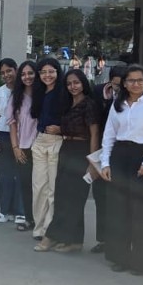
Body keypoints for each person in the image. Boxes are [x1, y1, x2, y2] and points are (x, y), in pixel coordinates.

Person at [98, 64, 143, 275]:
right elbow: (109, 135)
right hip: (120, 156)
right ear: (124, 83)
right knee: (119, 209)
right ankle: (119, 257)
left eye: (140, 80)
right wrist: (105, 163)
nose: (136, 84)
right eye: (131, 80)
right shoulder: (118, 104)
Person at [37, 69, 100, 252]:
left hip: (82, 151)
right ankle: (75, 241)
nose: (73, 86)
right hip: (66, 149)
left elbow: (95, 133)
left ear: (83, 83)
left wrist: (92, 162)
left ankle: (51, 236)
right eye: (69, 83)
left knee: (73, 197)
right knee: (63, 195)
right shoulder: (67, 104)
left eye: (76, 82)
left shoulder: (89, 104)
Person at [90, 65, 125, 253]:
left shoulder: (135, 97)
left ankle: (121, 240)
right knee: (101, 196)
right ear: (110, 82)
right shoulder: (98, 92)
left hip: (124, 151)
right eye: (117, 84)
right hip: (102, 149)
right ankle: (103, 239)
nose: (120, 88)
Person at [30, 58, 63, 239]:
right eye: (43, 72)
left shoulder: (63, 92)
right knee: (39, 187)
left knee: (53, 188)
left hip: (57, 141)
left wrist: (62, 128)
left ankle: (49, 229)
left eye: (51, 71)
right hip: (40, 141)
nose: (47, 75)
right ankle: (39, 227)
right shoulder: (39, 92)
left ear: (58, 72)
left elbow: (72, 117)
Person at [8, 61, 37, 232]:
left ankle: (42, 220)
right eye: (24, 74)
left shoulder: (43, 95)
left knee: (41, 187)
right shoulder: (16, 97)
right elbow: (12, 125)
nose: (27, 77)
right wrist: (15, 148)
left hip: (41, 148)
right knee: (26, 185)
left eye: (31, 73)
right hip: (23, 148)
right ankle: (29, 219)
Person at [0, 59, 19, 223]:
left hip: (22, 137)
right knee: (5, 174)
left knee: (20, 174)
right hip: (3, 135)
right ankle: (4, 210)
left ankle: (20, 211)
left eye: (9, 71)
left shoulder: (25, 90)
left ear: (16, 70)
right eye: (2, 73)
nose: (6, 75)